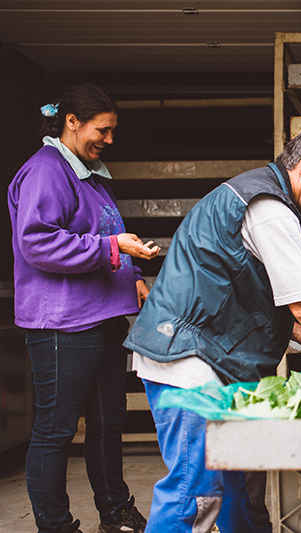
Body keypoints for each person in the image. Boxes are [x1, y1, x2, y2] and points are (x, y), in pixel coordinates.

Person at [123, 126, 301, 532]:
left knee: (240, 486)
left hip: (208, 356)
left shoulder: (256, 196)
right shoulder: (268, 207)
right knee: (196, 491)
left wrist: (287, 328)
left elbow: (230, 278)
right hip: (188, 360)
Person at [8, 84, 159, 533]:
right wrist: (113, 247)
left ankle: (115, 513)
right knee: (55, 431)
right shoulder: (45, 171)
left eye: (112, 131)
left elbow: (103, 232)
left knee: (108, 423)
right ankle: (55, 526)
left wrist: (131, 275)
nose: (109, 139)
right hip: (63, 323)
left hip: (100, 317)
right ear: (71, 122)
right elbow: (37, 242)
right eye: (103, 130)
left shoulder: (87, 174)